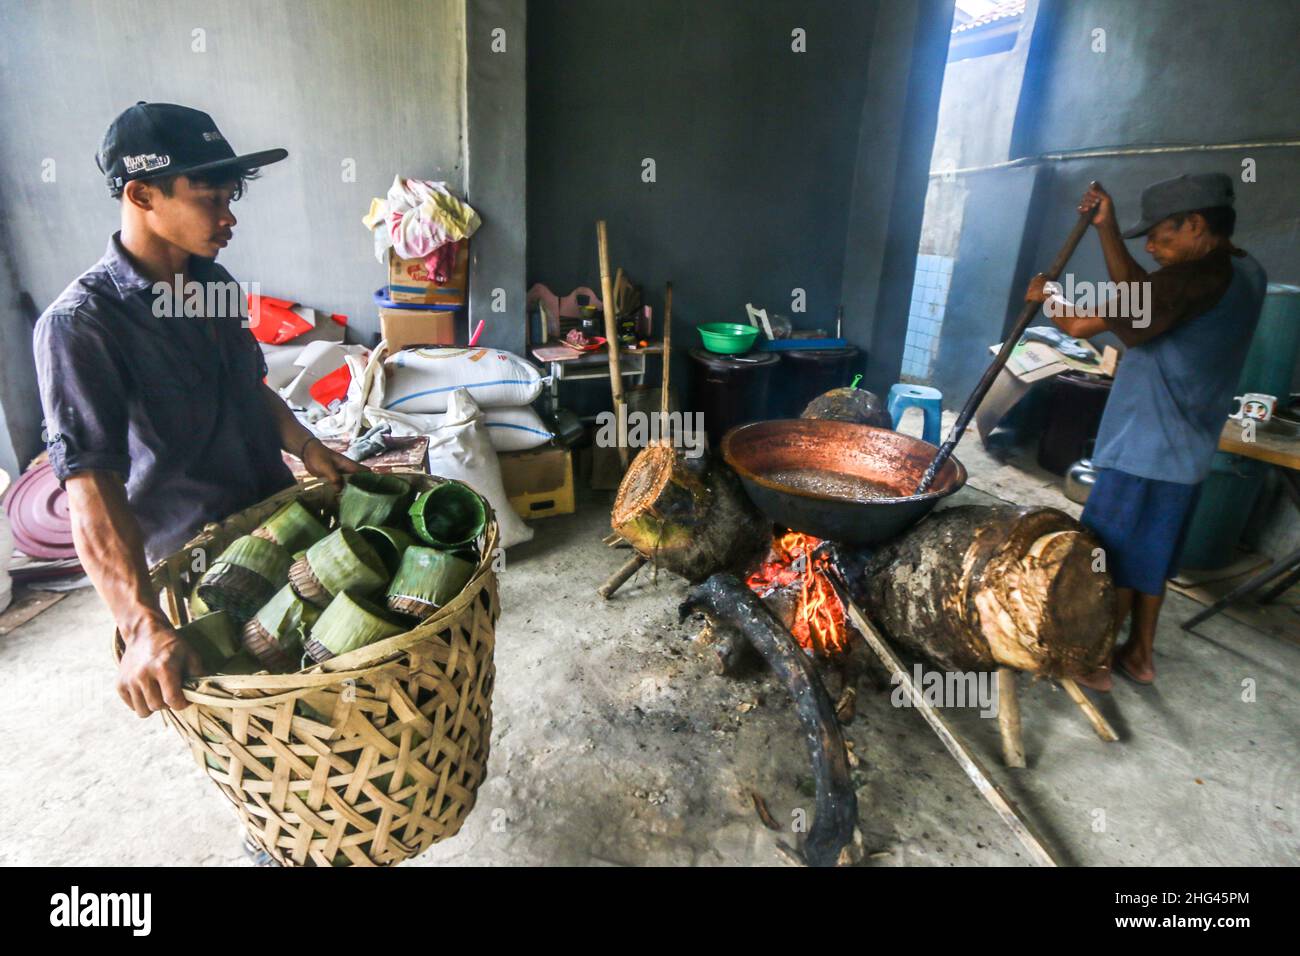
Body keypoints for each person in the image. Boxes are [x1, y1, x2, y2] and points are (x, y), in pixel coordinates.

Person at [33, 103, 364, 720]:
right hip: (201, 565)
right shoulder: (82, 325)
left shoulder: (212, 283)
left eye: (230, 196)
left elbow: (247, 385)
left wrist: (306, 444)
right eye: (209, 198)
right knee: (261, 726)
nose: (228, 216)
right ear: (141, 194)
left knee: (331, 689)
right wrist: (139, 626)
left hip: (279, 522)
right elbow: (91, 489)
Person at [1025, 173, 1267, 690]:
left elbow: (1080, 325)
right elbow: (1138, 293)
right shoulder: (1246, 272)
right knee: (1152, 557)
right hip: (1188, 454)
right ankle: (1139, 654)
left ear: (1197, 224)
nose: (1153, 247)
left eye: (1161, 235)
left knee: (1104, 557)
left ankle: (1093, 659)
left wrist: (1047, 297)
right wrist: (1105, 229)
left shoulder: (1189, 281)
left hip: (1143, 447)